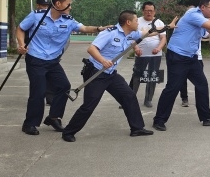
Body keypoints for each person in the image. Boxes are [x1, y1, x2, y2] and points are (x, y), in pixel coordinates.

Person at [61, 10, 173, 142]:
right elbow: (91, 49)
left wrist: (167, 27)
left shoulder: (132, 33)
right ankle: (68, 132)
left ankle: (137, 128)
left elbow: (149, 33)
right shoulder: (109, 33)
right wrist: (103, 60)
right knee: (90, 104)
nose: (138, 22)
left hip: (111, 74)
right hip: (96, 73)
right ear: (128, 22)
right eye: (136, 20)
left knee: (129, 96)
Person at [17, 0, 107, 136]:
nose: (70, 7)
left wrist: (99, 29)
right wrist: (21, 44)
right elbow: (21, 28)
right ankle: (30, 124)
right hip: (36, 59)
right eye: (68, 4)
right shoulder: (37, 16)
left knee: (64, 86)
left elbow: (84, 28)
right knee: (38, 92)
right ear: (58, 4)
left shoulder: (68, 20)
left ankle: (54, 117)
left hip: (53, 61)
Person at [152, 0, 210, 131]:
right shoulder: (193, 14)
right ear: (202, 7)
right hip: (178, 56)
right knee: (173, 88)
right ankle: (159, 120)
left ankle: (206, 117)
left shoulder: (203, 18)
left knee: (202, 85)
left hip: (191, 57)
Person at [128, 1, 167, 108]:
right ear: (143, 11)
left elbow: (163, 38)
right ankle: (129, 99)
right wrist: (135, 48)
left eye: (151, 11)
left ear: (154, 11)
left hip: (155, 54)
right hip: (141, 54)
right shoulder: (137, 22)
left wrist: (159, 48)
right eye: (146, 11)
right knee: (136, 76)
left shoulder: (159, 23)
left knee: (152, 76)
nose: (149, 13)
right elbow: (131, 37)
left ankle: (148, 99)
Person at [34, 0, 56, 106]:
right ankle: (38, 98)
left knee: (50, 78)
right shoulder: (34, 16)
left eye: (47, 6)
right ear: (38, 5)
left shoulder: (53, 18)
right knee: (38, 81)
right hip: (37, 55)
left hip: (51, 54)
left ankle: (50, 98)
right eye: (43, 6)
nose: (46, 8)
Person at [179, 28, 209, 107]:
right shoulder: (184, 26)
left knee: (200, 81)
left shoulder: (201, 25)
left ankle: (200, 101)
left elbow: (206, 34)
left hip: (197, 57)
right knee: (182, 79)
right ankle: (184, 98)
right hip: (184, 56)